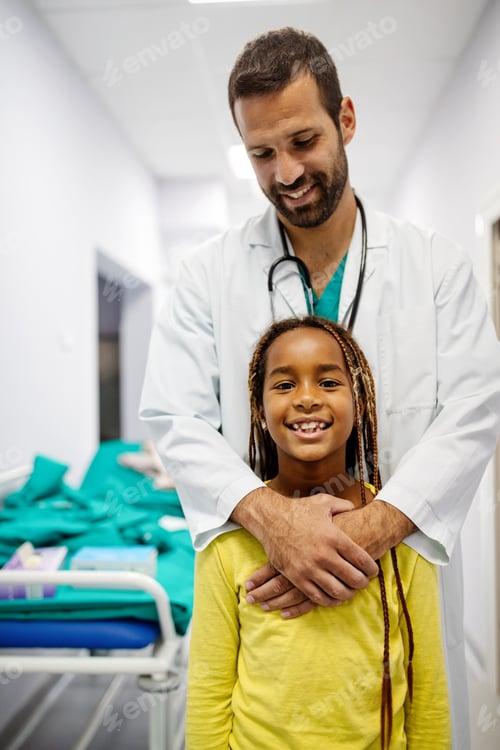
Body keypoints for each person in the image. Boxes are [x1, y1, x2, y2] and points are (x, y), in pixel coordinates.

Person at [140, 27, 500, 748]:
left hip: (399, 581)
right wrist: (276, 525)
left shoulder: (436, 268)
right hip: (267, 593)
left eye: (303, 141)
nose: (285, 172)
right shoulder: (206, 276)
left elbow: (472, 412)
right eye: (261, 153)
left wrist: (363, 534)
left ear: (347, 120)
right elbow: (174, 419)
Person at [186, 316, 451, 749]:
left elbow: (426, 686)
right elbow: (208, 688)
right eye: (285, 385)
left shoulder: (400, 529)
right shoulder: (228, 539)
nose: (307, 399)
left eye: (328, 383)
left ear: (359, 400)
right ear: (259, 408)